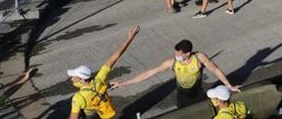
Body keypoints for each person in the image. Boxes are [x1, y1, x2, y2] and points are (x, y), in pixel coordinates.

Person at [108, 39, 240, 108]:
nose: (176, 56)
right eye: (176, 53)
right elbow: (149, 73)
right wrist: (124, 83)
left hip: (199, 97)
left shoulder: (199, 57)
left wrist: (229, 86)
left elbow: (215, 69)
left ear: (188, 53)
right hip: (182, 100)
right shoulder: (172, 63)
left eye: (179, 54)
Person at [67, 26, 140, 119]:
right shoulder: (99, 79)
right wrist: (129, 38)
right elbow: (115, 57)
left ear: (82, 80)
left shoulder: (78, 98)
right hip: (106, 113)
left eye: (74, 76)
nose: (71, 78)